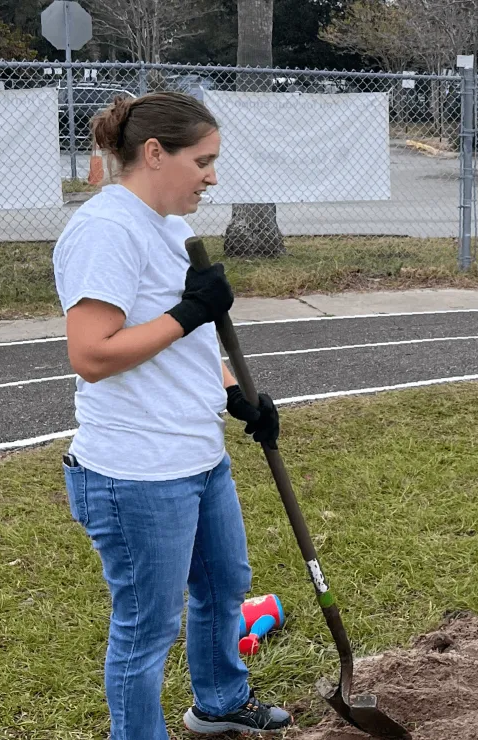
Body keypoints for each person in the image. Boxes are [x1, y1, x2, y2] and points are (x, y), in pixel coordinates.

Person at [53, 91, 293, 738]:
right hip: (135, 474)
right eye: (203, 161)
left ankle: (218, 703)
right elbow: (92, 354)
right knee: (147, 629)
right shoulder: (106, 231)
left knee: (222, 591)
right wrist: (190, 312)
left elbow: (182, 345)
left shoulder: (171, 228)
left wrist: (234, 395)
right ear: (155, 153)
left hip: (197, 455)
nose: (212, 177)